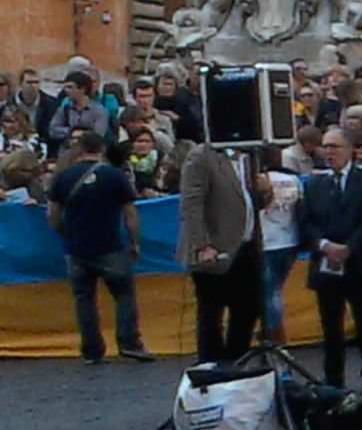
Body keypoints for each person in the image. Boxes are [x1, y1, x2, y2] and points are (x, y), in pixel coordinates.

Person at [47, 131, 152, 364]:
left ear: (80, 149)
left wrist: (66, 234)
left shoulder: (63, 178)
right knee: (123, 294)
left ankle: (92, 350)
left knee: (84, 299)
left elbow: (53, 215)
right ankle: (129, 343)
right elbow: (130, 214)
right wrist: (134, 242)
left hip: (76, 249)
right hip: (110, 246)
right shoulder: (115, 176)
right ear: (102, 149)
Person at [299, 128, 362, 393]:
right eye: (325, 147)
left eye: (335, 147)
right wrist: (325, 246)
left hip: (360, 261)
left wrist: (348, 248)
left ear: (350, 149)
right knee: (330, 324)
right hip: (327, 264)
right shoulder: (314, 184)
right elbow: (306, 225)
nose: (329, 152)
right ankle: (333, 377)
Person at [177, 143, 265, 364]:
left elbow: (252, 203)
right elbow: (191, 204)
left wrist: (265, 191)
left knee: (248, 309)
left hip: (246, 248)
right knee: (211, 313)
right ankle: (211, 365)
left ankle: (236, 362)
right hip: (214, 249)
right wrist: (202, 245)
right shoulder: (201, 156)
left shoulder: (249, 156)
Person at [258, 159, 303, 344]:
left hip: (267, 242)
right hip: (290, 240)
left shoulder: (256, 178)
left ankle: (275, 339)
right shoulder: (293, 179)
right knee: (275, 291)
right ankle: (270, 334)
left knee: (270, 294)